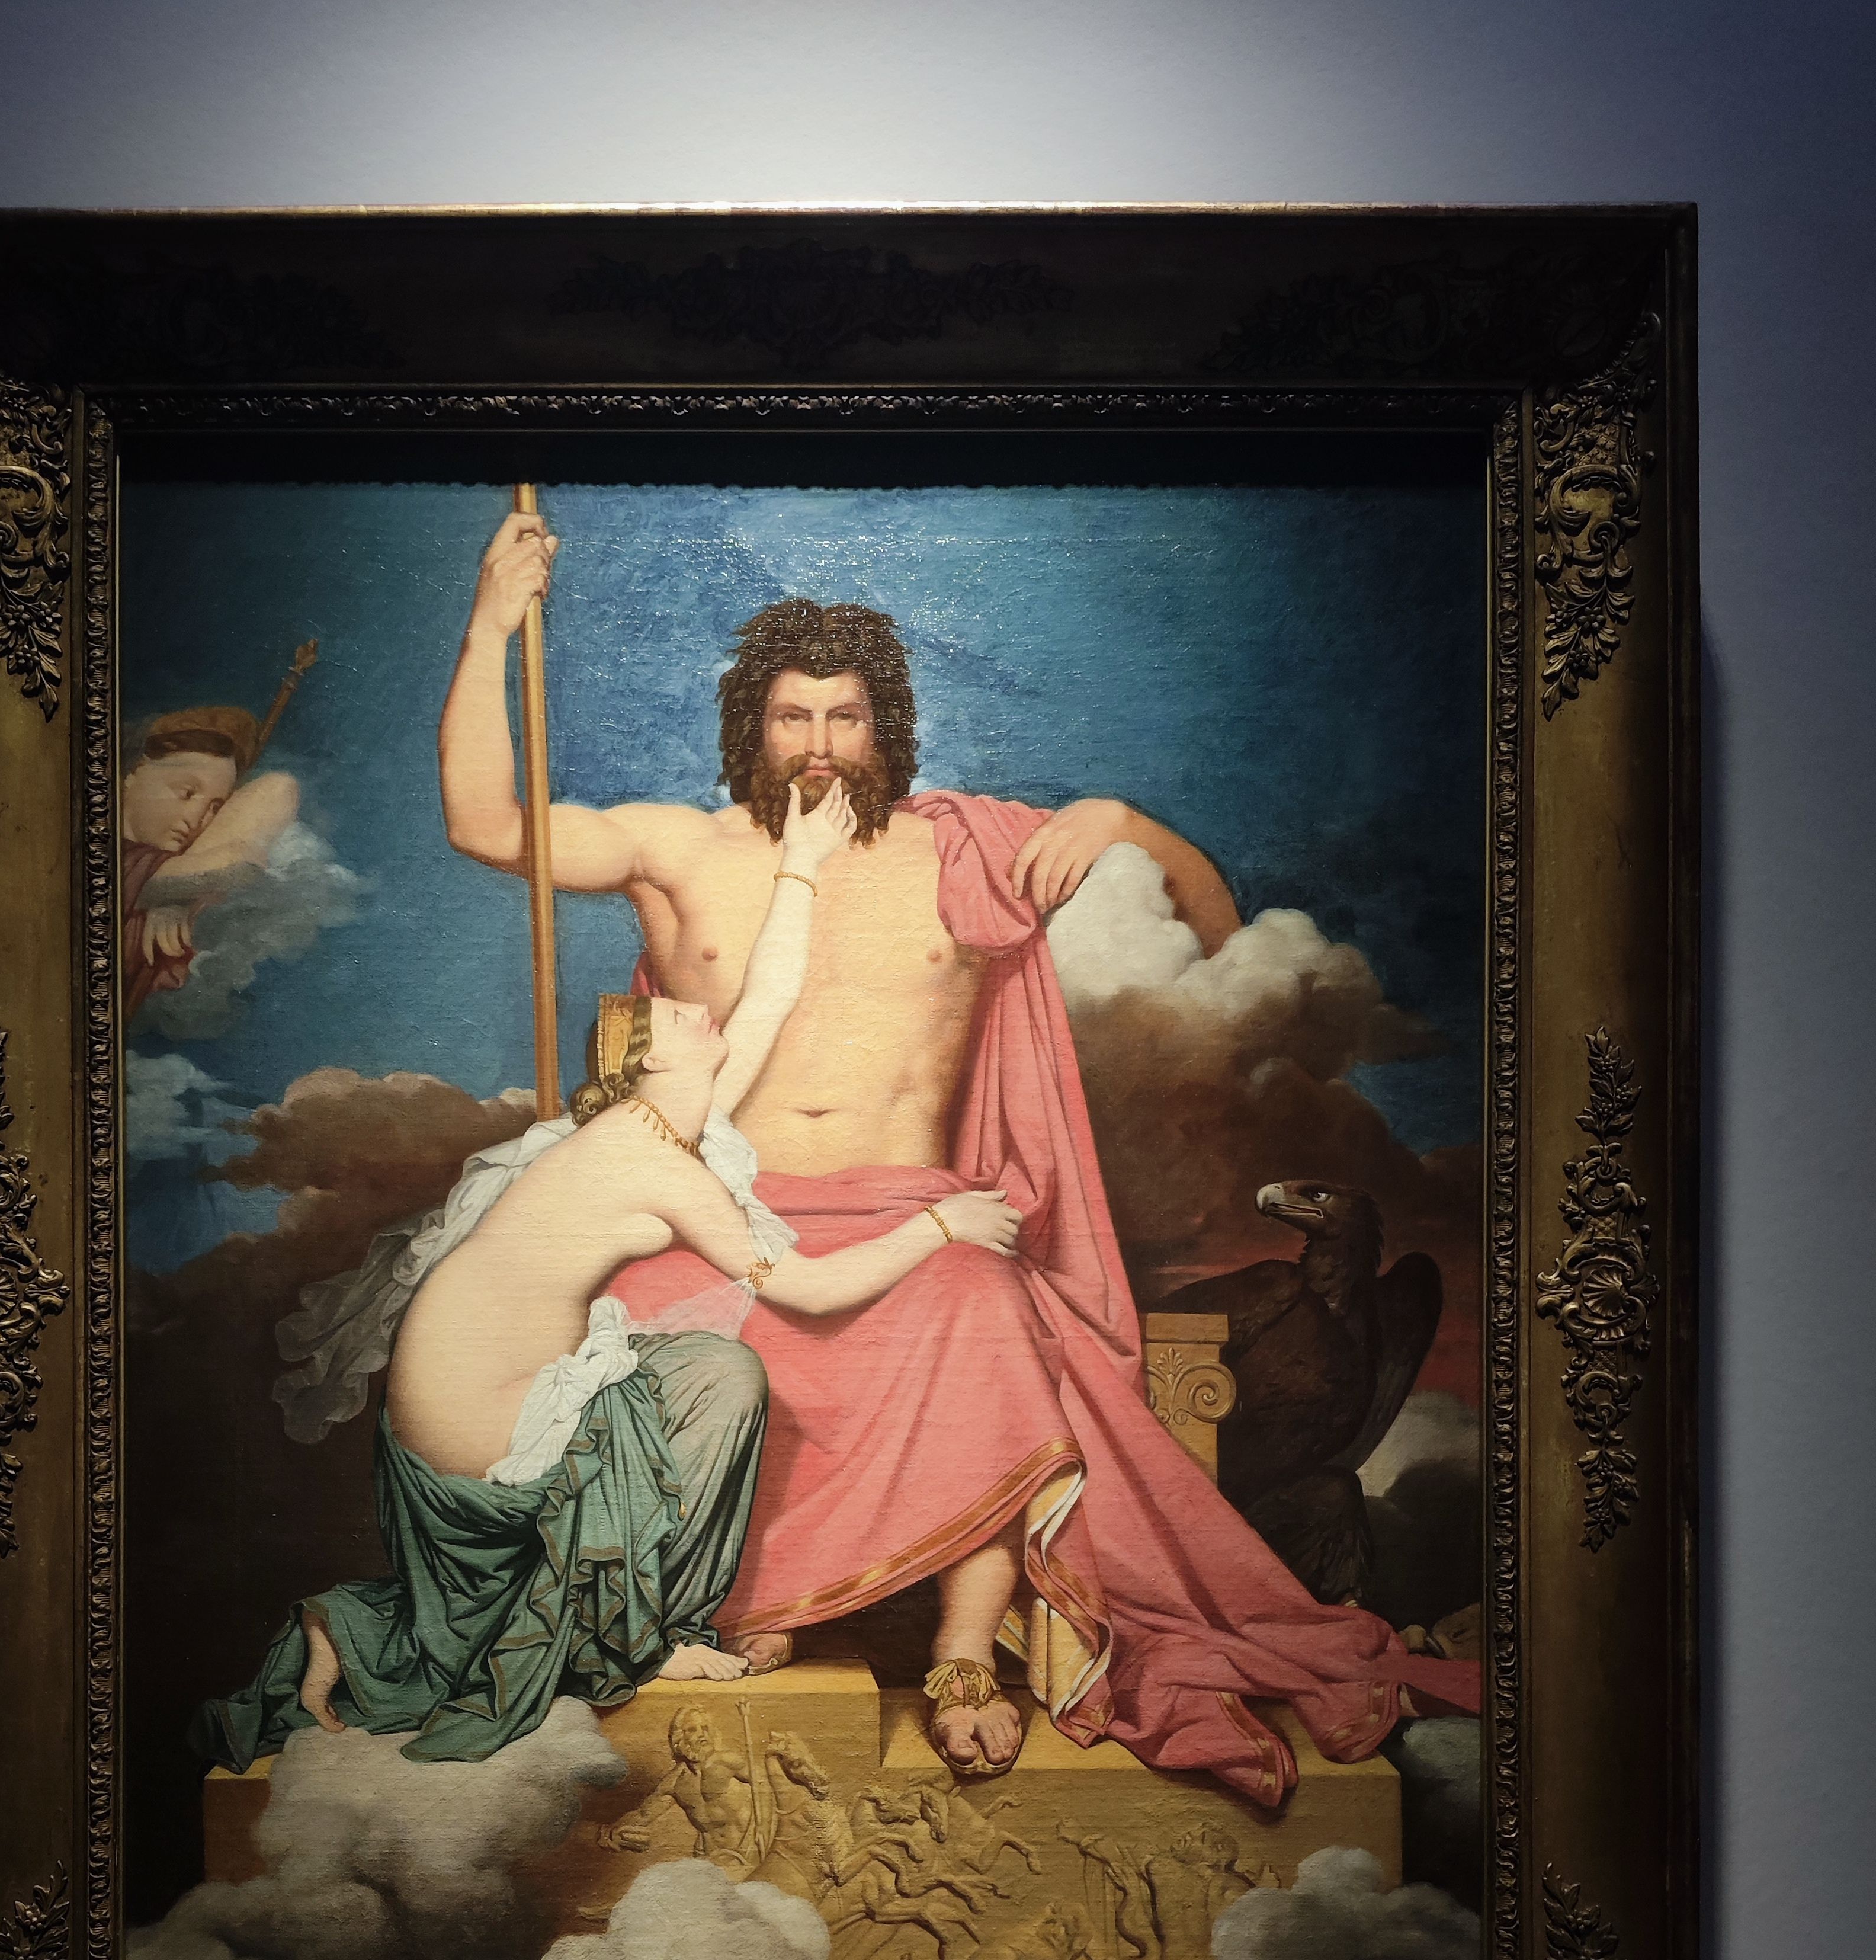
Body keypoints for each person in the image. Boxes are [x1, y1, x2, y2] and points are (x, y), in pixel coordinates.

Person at [433, 510, 1479, 1805]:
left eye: (846, 717)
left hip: (914, 1209)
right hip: (726, 1211)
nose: (820, 745)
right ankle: (747, 1603)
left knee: (980, 1306)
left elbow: (1212, 920)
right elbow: (484, 824)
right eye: (792, 717)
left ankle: (963, 1653)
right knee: (646, 1323)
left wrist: (1117, 821)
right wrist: (492, 621)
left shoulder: (966, 850)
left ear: (888, 727)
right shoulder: (677, 850)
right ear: (751, 727)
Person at [202, 773, 1021, 1770]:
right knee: (723, 1379)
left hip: (476, 1393)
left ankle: (358, 1629)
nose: (693, 1010)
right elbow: (808, 1288)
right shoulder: (649, 1158)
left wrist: (801, 863)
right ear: (652, 1066)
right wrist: (938, 1223)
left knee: (701, 1367)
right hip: (475, 1417)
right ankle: (641, 1635)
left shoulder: (670, 1120)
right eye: (675, 1018)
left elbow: (768, 996)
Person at [121, 706, 299, 1018]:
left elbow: (279, 789)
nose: (196, 820)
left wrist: (175, 894)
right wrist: (170, 887)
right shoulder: (116, 861)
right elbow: (239, 861)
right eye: (187, 793)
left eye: (215, 809)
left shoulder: (173, 873)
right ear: (134, 774)